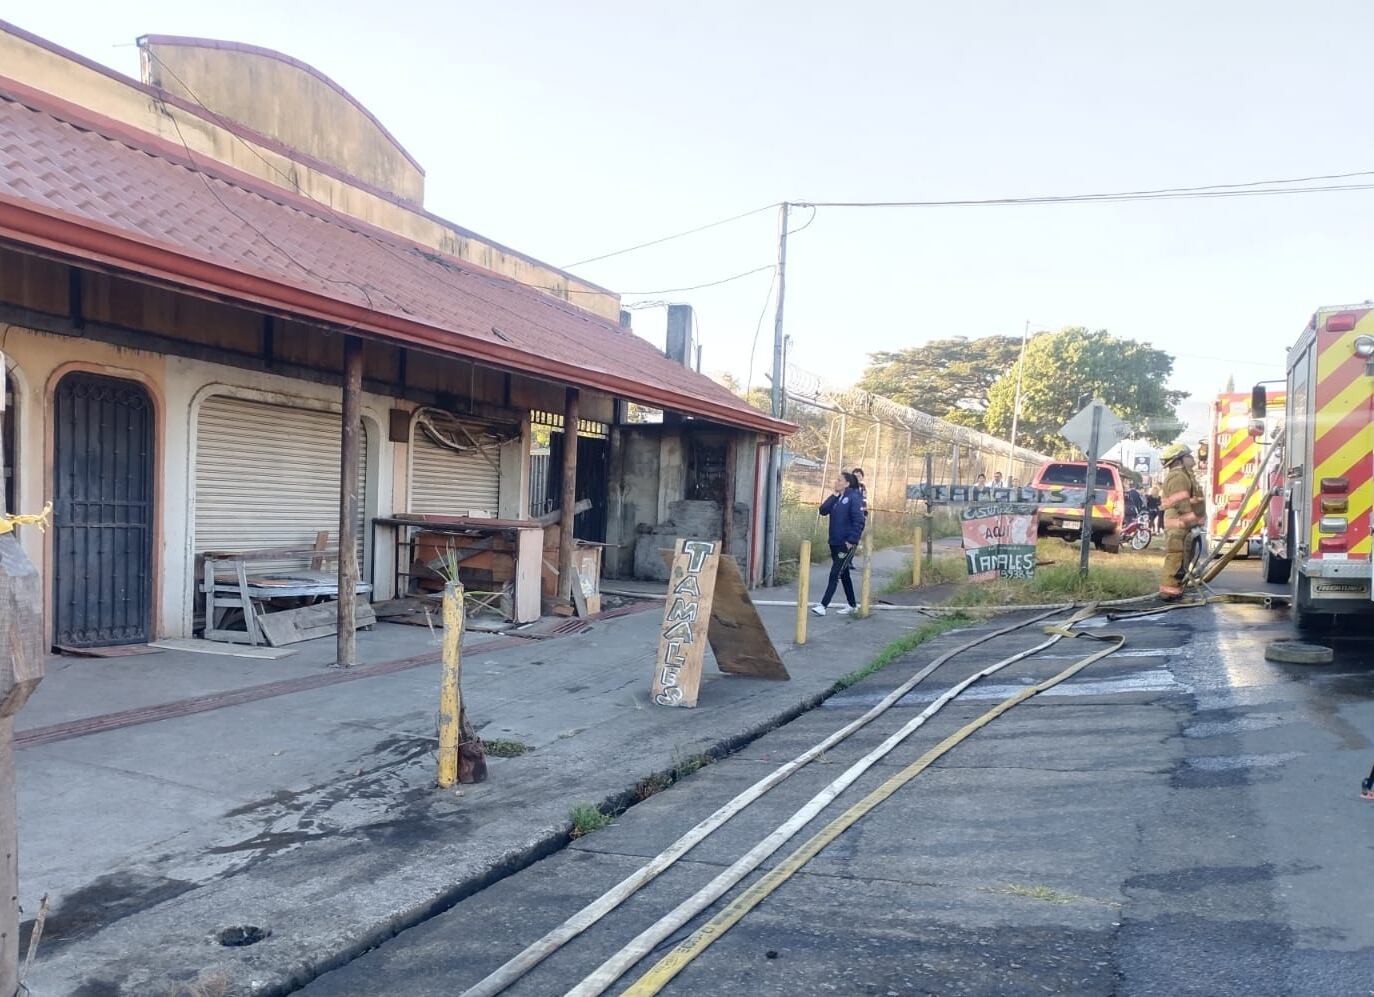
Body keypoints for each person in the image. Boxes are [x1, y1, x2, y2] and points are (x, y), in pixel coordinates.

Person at [812, 471, 866, 617]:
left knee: (835, 573)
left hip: (846, 543)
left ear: (847, 483)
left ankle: (823, 605)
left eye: (839, 480)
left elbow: (859, 521)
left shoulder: (854, 498)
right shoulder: (838, 497)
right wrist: (834, 495)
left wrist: (851, 541)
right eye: (836, 480)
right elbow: (823, 510)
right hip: (834, 541)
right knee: (844, 573)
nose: (836, 482)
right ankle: (852, 605)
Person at [1158, 443, 1204, 601]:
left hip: (1182, 524)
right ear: (1179, 460)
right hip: (1178, 524)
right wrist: (1193, 524)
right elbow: (1181, 503)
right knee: (1177, 558)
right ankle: (1168, 594)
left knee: (1183, 559)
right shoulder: (1178, 476)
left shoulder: (1185, 475)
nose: (1192, 458)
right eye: (1188, 456)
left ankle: (1175, 591)